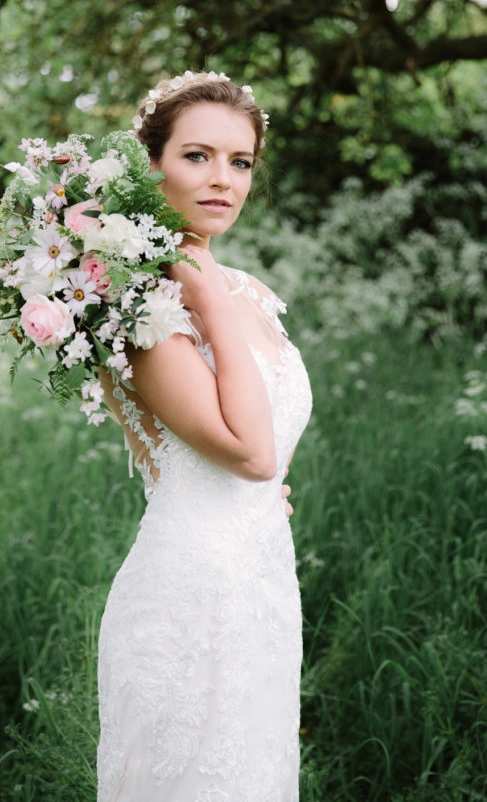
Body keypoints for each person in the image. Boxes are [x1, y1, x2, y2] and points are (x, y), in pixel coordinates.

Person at [96, 71, 313, 801]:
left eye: (240, 161)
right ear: (150, 164)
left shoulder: (244, 289)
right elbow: (250, 453)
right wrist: (204, 293)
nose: (222, 179)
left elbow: (259, 452)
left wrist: (262, 499)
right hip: (189, 597)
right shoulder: (143, 307)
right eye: (197, 156)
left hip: (261, 586)